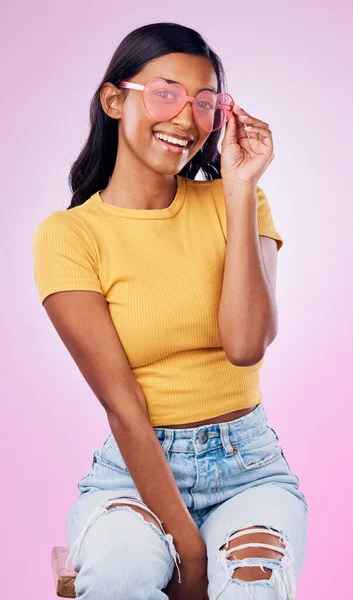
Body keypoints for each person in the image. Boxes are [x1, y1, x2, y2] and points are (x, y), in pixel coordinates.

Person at [32, 21, 308, 600]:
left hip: (250, 469)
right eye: (165, 93)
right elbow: (122, 404)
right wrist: (187, 546)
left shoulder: (243, 201)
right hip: (133, 473)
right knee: (120, 577)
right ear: (114, 99)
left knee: (255, 590)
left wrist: (236, 190)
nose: (185, 118)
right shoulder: (70, 236)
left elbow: (246, 345)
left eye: (205, 102)